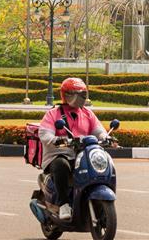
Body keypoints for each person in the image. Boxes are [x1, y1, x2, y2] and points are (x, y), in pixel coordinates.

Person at [38, 77, 108, 221]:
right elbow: (44, 133)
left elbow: (98, 130)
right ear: (65, 94)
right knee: (61, 165)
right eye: (74, 93)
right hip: (58, 155)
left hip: (82, 155)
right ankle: (63, 204)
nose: (79, 97)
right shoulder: (53, 113)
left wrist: (106, 137)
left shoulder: (87, 113)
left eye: (82, 93)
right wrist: (57, 140)